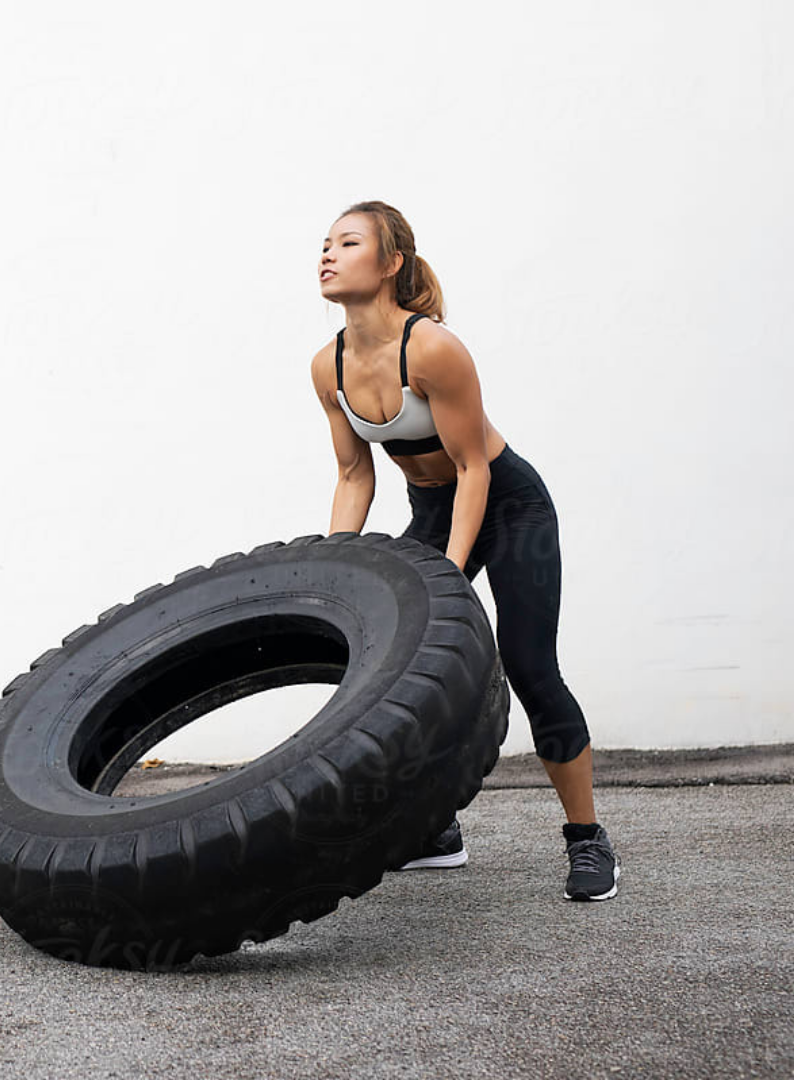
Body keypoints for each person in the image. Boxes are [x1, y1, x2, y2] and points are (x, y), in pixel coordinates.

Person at [310, 199, 620, 901]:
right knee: (402, 668)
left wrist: (449, 574)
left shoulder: (434, 349)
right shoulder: (327, 366)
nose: (326, 254)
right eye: (324, 244)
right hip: (435, 506)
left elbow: (474, 466)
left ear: (391, 263)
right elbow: (355, 475)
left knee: (531, 667)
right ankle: (439, 830)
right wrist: (334, 568)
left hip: (508, 507)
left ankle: (588, 839)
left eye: (347, 242)